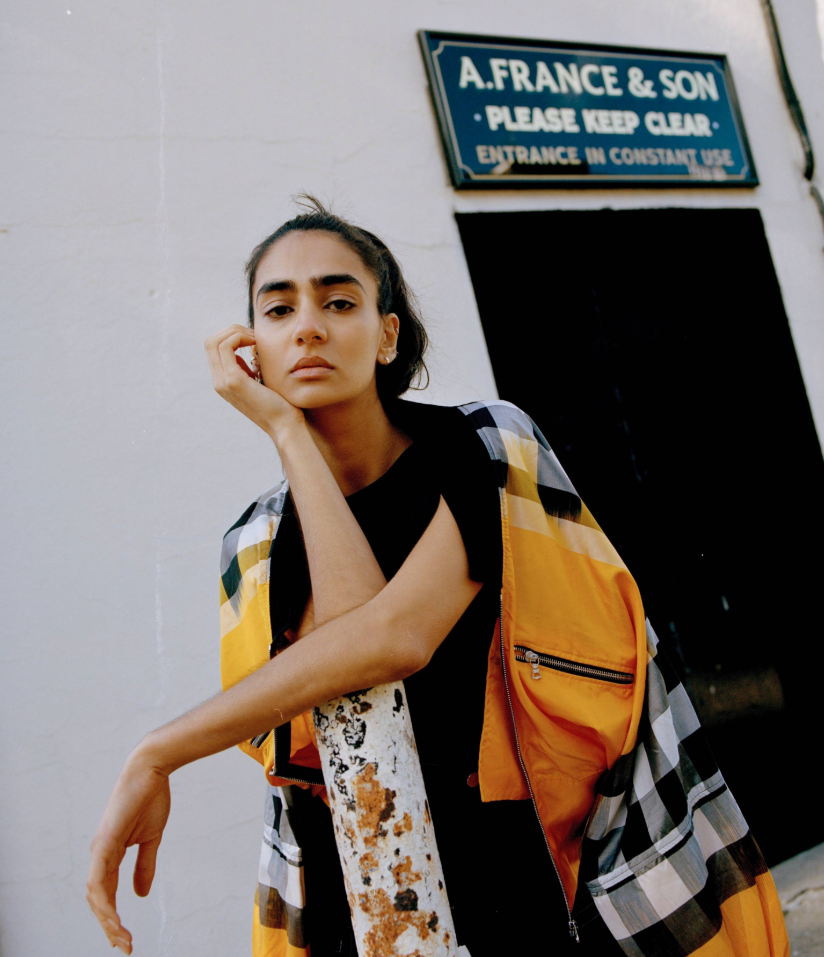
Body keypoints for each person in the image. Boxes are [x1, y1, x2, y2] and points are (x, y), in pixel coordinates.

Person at [87, 199, 787, 957]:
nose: (308, 327)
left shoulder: (483, 444)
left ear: (387, 335)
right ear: (251, 346)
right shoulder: (255, 539)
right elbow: (354, 671)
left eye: (339, 302)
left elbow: (388, 639)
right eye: (279, 309)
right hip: (355, 885)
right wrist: (293, 439)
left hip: (512, 868)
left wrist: (157, 751)